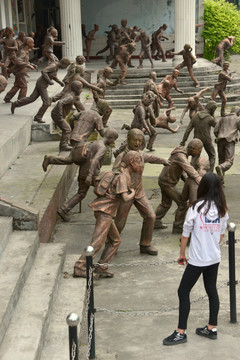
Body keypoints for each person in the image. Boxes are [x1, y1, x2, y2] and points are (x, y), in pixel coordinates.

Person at [163, 172, 229, 346]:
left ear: (203, 188)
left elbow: (186, 234)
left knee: (183, 291)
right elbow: (221, 236)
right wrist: (211, 245)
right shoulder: (223, 209)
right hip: (214, 258)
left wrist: (182, 254)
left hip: (198, 260)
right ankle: (212, 327)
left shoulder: (195, 208)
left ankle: (180, 332)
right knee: (211, 290)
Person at [73, 150, 142, 278]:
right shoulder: (122, 177)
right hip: (104, 212)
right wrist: (133, 192)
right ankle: (80, 266)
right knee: (97, 242)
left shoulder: (122, 174)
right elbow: (125, 198)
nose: (140, 165)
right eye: (139, 162)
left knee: (115, 240)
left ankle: (102, 266)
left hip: (106, 212)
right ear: (132, 162)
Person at [108, 128, 169, 256]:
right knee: (120, 220)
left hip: (139, 192)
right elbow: (114, 172)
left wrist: (164, 161)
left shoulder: (141, 154)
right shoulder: (122, 156)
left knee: (151, 216)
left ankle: (145, 244)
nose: (137, 143)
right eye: (135, 140)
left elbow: (152, 158)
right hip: (126, 193)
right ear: (128, 140)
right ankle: (111, 244)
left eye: (140, 141)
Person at [42, 128, 119, 221]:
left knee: (81, 193)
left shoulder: (94, 142)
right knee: (107, 190)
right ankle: (108, 211)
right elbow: (94, 160)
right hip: (91, 175)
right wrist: (90, 175)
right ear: (110, 137)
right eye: (114, 139)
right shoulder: (102, 147)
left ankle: (63, 210)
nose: (113, 142)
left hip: (83, 172)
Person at [154, 139, 203, 233]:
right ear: (193, 148)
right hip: (167, 183)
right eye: (199, 150)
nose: (199, 152)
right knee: (182, 204)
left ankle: (155, 221)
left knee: (166, 204)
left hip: (165, 180)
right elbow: (187, 167)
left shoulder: (181, 153)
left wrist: (186, 180)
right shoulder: (180, 156)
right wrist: (197, 177)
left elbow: (180, 170)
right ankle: (178, 227)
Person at [10, 57, 71, 122]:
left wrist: (59, 82)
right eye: (66, 66)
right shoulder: (53, 66)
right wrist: (49, 81)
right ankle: (38, 117)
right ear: (64, 63)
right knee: (47, 103)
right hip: (42, 85)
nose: (65, 67)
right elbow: (44, 71)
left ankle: (16, 104)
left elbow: (53, 75)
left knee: (32, 98)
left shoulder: (56, 67)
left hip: (41, 84)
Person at [180, 100, 217, 172]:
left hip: (196, 140)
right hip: (207, 140)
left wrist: (183, 141)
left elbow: (188, 129)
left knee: (195, 156)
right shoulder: (210, 118)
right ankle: (210, 173)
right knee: (212, 155)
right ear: (213, 110)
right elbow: (217, 127)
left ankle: (191, 173)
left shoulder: (196, 116)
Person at [3, 37, 36, 103]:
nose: (33, 44)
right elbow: (18, 61)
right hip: (19, 72)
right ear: (28, 44)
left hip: (20, 71)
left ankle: (7, 98)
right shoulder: (23, 52)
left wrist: (31, 64)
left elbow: (25, 61)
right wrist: (28, 65)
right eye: (32, 43)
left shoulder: (25, 51)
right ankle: (21, 100)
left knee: (17, 86)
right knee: (24, 86)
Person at [214, 106, 240, 182]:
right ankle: (221, 168)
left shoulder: (222, 118)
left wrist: (218, 136)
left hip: (220, 139)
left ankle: (220, 181)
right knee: (229, 161)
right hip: (230, 140)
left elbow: (215, 130)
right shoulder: (238, 119)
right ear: (238, 112)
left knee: (221, 160)